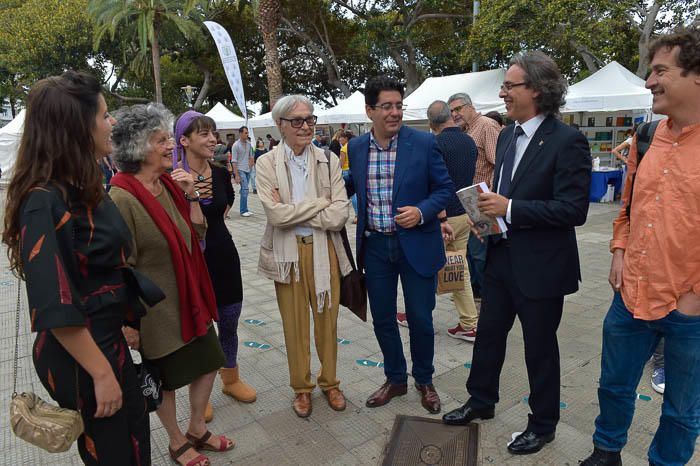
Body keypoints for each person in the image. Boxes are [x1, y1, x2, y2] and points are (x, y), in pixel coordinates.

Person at [2, 70, 161, 465]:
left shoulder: (82, 184)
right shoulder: (43, 201)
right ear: (77, 127)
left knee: (134, 438)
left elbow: (103, 266)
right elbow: (55, 305)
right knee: (112, 452)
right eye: (105, 116)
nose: (112, 124)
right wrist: (101, 374)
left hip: (106, 340)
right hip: (82, 353)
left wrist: (126, 318)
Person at [442, 51, 592, 457]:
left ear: (539, 90)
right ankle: (481, 400)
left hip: (541, 266)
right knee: (488, 336)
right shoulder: (506, 134)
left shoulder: (568, 141)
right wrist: (485, 216)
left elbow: (574, 210)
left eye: (511, 85)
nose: (503, 92)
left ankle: (543, 424)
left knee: (539, 348)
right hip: (500, 254)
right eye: (504, 86)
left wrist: (509, 208)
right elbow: (504, 189)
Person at [580, 27, 700, 466]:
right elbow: (628, 208)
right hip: (629, 296)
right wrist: (617, 252)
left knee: (683, 409)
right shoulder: (646, 136)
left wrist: (693, 297)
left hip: (690, 311)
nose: (648, 81)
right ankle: (606, 451)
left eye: (660, 71)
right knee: (612, 385)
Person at [109, 104, 234, 466]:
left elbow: (197, 232)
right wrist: (128, 321)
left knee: (211, 358)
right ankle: (177, 441)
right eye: (161, 140)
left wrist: (191, 194)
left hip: (188, 294)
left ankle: (196, 428)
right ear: (138, 148)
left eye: (168, 138)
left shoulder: (167, 183)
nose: (169, 146)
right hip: (155, 309)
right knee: (164, 378)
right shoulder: (121, 198)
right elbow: (119, 267)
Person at [345, 76, 454, 414]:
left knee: (421, 318)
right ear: (369, 110)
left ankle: (424, 378)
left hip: (417, 245)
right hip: (375, 247)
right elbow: (345, 184)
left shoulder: (422, 143)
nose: (394, 113)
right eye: (386, 106)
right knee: (382, 319)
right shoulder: (357, 148)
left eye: (398, 106)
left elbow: (445, 189)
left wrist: (422, 211)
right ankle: (395, 378)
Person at [256, 95, 352, 418]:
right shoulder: (266, 163)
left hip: (325, 250)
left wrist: (295, 210)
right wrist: (320, 203)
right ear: (280, 125)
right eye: (297, 121)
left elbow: (339, 216)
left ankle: (331, 382)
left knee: (328, 320)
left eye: (310, 119)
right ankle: (301, 388)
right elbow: (276, 216)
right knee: (294, 325)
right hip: (288, 255)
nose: (306, 126)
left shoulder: (329, 159)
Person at [176, 111, 257, 405]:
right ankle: (201, 392)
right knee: (200, 327)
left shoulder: (221, 173)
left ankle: (231, 378)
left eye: (213, 133)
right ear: (184, 140)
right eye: (204, 134)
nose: (213, 140)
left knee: (230, 320)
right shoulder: (170, 179)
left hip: (223, 254)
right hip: (191, 260)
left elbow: (224, 211)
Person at [426, 100, 479, 342]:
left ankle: (420, 314)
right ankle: (469, 322)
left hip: (443, 216)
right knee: (459, 267)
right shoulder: (469, 141)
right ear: (451, 116)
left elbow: (432, 182)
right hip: (465, 211)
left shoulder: (434, 144)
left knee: (427, 268)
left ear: (430, 124)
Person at [447, 92, 501, 306]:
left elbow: (499, 163)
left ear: (470, 106)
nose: (455, 114)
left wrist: (492, 197)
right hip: (468, 197)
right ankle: (475, 294)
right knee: (470, 252)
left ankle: (489, 297)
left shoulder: (486, 125)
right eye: (451, 111)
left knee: (480, 252)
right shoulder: (466, 130)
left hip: (482, 198)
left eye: (458, 109)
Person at [231, 126, 255, 216]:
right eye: (245, 133)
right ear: (240, 133)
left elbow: (251, 156)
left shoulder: (249, 144)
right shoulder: (236, 145)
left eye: (247, 132)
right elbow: (234, 160)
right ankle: (243, 210)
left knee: (245, 190)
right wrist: (236, 175)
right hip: (240, 169)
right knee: (245, 189)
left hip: (248, 169)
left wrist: (251, 165)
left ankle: (245, 208)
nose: (247, 134)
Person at [338, 130, 358, 223]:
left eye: (341, 138)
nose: (339, 140)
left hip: (346, 170)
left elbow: (341, 163)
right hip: (354, 169)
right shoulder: (354, 146)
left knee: (352, 195)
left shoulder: (343, 149)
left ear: (346, 138)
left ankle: (357, 214)